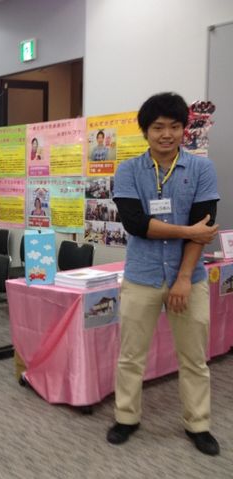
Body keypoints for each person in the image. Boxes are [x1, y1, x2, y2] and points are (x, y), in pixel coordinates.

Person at [107, 92, 220, 456]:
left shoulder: (202, 169)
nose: (166, 134)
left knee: (194, 358)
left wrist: (184, 278)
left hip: (190, 278)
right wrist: (188, 231)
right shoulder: (128, 170)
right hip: (141, 275)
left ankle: (198, 424)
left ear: (184, 129)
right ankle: (126, 417)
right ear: (146, 131)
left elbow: (206, 226)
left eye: (174, 126)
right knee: (130, 355)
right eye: (158, 127)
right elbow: (136, 224)